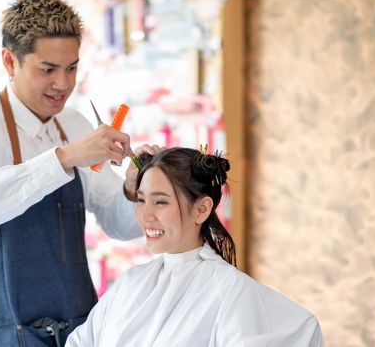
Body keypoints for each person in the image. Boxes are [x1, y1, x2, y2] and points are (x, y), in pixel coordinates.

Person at [0, 0, 159, 346]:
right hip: (0, 332)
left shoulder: (74, 123)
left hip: (75, 331)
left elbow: (119, 224)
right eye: (48, 69)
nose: (63, 83)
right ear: (10, 60)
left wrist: (133, 190)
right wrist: (63, 158)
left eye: (72, 68)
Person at [65, 147, 325, 347]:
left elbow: (304, 328)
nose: (144, 216)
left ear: (201, 209)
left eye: (161, 202)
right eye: (141, 200)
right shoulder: (130, 283)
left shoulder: (230, 292)